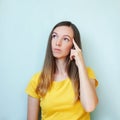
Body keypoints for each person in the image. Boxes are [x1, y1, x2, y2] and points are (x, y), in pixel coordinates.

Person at [26, 21, 99, 120]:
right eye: (54, 36)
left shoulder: (86, 73)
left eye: (65, 39)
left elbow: (90, 106)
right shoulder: (37, 80)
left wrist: (80, 64)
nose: (57, 43)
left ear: (74, 45)